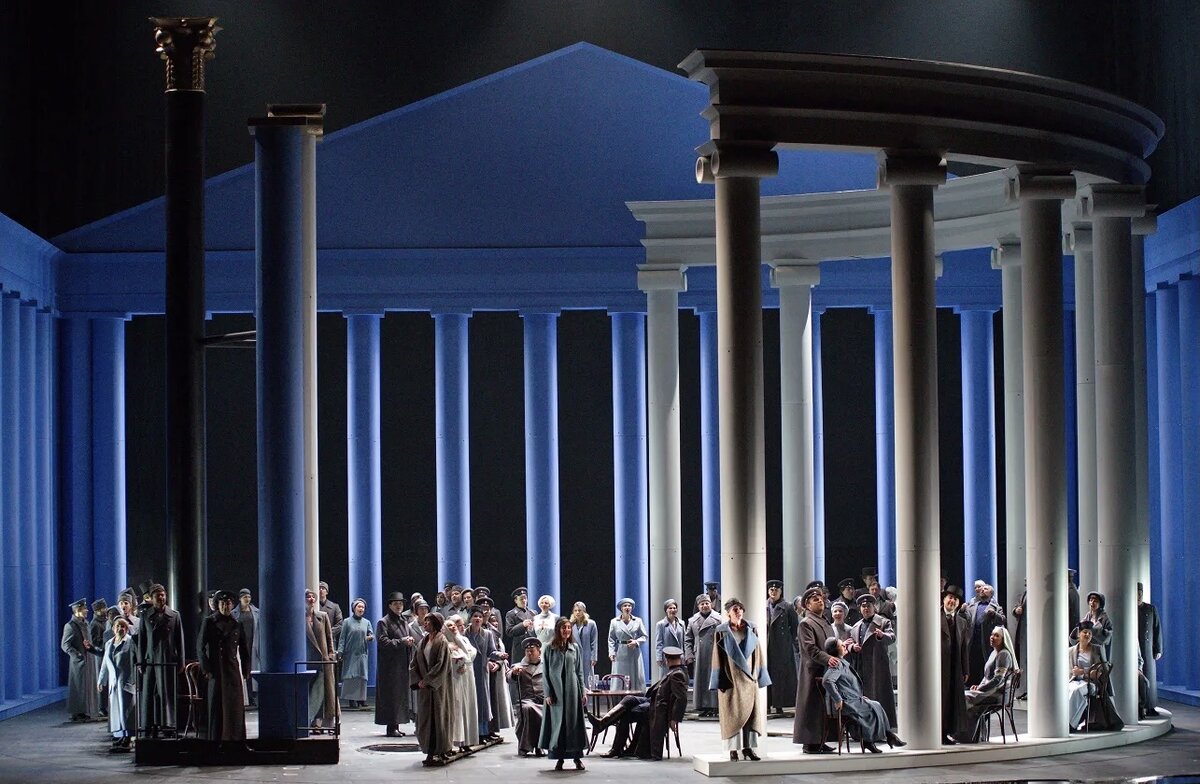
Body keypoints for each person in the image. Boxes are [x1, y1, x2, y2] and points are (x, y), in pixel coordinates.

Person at [589, 645, 688, 760]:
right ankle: (602, 723)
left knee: (624, 715)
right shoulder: (674, 671)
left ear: (668, 660)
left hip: (657, 707)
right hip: (652, 701)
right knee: (629, 699)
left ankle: (616, 748)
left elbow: (681, 698)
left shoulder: (677, 674)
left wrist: (675, 718)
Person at [821, 637, 906, 753]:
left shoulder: (842, 663)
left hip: (853, 699)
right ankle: (874, 740)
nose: (845, 646)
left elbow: (847, 686)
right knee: (873, 707)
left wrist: (859, 697)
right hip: (847, 703)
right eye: (841, 645)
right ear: (835, 650)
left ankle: (885, 736)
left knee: (876, 705)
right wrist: (838, 699)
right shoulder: (837, 664)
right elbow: (827, 681)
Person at [712, 598, 770, 761]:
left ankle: (748, 748)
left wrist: (760, 675)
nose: (738, 612)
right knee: (732, 714)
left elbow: (758, 652)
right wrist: (719, 680)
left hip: (749, 679)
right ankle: (733, 749)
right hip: (731, 678)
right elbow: (717, 656)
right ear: (728, 613)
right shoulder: (721, 631)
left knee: (750, 715)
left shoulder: (752, 628)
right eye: (735, 609)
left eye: (740, 609)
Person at [197, 589, 251, 742]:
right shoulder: (209, 622)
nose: (225, 606)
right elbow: (200, 647)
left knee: (234, 705)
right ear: (217, 605)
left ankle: (235, 738)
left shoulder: (237, 623)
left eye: (228, 603)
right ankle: (216, 738)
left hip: (232, 669)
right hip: (216, 670)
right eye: (222, 603)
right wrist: (206, 668)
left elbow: (244, 648)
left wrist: (246, 669)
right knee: (217, 704)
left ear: (232, 605)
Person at [539, 616, 588, 770]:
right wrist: (548, 693)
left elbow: (579, 672)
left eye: (568, 628)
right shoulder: (549, 648)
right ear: (558, 629)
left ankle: (577, 758)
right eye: (563, 628)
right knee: (557, 724)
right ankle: (559, 758)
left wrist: (583, 691)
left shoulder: (575, 648)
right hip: (556, 691)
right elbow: (545, 673)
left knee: (573, 724)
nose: (566, 630)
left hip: (572, 691)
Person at [137, 583, 184, 736]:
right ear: (152, 598)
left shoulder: (174, 615)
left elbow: (180, 641)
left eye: (163, 595)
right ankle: (148, 727)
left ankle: (168, 726)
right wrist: (141, 661)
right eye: (158, 596)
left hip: (167, 660)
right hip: (151, 660)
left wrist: (181, 661)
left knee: (167, 695)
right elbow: (142, 641)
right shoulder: (145, 615)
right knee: (149, 695)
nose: (161, 598)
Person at [794, 585, 836, 754]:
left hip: (826, 670)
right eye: (815, 600)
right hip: (813, 671)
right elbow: (810, 649)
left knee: (822, 707)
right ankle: (809, 742)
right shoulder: (806, 623)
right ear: (807, 605)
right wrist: (828, 659)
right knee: (811, 707)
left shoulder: (825, 621)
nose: (820, 601)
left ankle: (820, 740)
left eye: (821, 599)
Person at [412, 612, 453, 765]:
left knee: (439, 718)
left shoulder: (442, 641)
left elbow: (442, 665)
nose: (425, 623)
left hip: (438, 687)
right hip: (424, 688)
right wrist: (418, 680)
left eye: (428, 621)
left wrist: (428, 680)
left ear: (436, 623)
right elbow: (414, 662)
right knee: (425, 718)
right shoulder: (423, 641)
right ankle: (429, 750)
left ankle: (441, 750)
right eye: (425, 621)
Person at [849, 593, 896, 727]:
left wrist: (882, 635)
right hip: (861, 666)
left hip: (877, 665)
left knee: (880, 696)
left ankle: (883, 725)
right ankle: (866, 726)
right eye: (863, 606)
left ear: (874, 607)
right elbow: (850, 641)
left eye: (868, 606)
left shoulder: (883, 622)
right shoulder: (856, 626)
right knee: (863, 697)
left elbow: (892, 637)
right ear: (860, 609)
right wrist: (852, 647)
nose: (866, 609)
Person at [1068, 620, 1123, 732]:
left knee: (1077, 691)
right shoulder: (1071, 651)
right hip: (1074, 680)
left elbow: (1101, 670)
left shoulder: (1097, 649)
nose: (1087, 635)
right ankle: (1064, 719)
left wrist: (1082, 672)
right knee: (1067, 690)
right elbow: (1070, 670)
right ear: (1079, 634)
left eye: (1090, 633)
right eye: (1085, 632)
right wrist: (1077, 673)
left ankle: (1071, 723)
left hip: (1092, 682)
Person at [964, 625, 1016, 742]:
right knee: (964, 695)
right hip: (990, 690)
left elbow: (997, 680)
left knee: (964, 698)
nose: (992, 637)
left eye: (996, 636)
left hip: (997, 693)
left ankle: (968, 736)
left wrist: (980, 688)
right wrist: (978, 686)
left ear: (1003, 639)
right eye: (992, 634)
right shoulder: (994, 653)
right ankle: (974, 735)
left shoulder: (1003, 654)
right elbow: (987, 676)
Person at [376, 591, 414, 736]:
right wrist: (402, 641)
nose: (399, 606)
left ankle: (396, 725)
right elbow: (383, 642)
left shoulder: (403, 620)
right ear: (390, 605)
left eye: (401, 604)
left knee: (399, 696)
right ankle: (391, 727)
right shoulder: (383, 622)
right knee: (391, 696)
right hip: (389, 666)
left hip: (402, 663)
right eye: (396, 603)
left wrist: (408, 641)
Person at [98, 616, 136, 751]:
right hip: (114, 683)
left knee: (127, 710)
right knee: (116, 710)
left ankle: (128, 736)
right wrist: (101, 680)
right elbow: (105, 663)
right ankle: (120, 734)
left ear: (127, 629)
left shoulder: (131, 642)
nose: (120, 629)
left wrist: (134, 680)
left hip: (126, 681)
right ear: (113, 629)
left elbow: (136, 661)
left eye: (123, 626)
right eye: (117, 626)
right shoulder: (109, 643)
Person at [940, 584, 971, 744]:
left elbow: (964, 647)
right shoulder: (934, 617)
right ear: (944, 599)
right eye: (950, 597)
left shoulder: (962, 622)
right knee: (941, 700)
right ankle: (938, 732)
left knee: (952, 701)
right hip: (939, 666)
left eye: (956, 599)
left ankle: (946, 732)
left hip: (955, 666)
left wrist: (966, 669)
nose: (952, 601)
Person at [305, 587, 339, 733]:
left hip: (323, 659)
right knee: (311, 692)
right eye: (308, 597)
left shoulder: (322, 616)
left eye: (313, 597)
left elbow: (329, 637)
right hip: (307, 661)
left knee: (324, 693)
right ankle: (311, 721)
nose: (311, 599)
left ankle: (320, 723)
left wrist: (331, 653)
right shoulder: (298, 618)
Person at [444, 614, 480, 749]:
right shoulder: (446, 642)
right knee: (458, 707)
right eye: (450, 626)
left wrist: (464, 660)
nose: (453, 627)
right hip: (455, 677)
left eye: (455, 625)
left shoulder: (463, 639)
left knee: (468, 706)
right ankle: (456, 741)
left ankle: (468, 740)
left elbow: (470, 654)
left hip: (468, 676)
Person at [61, 598, 99, 722]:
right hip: (79, 662)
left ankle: (86, 710)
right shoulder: (70, 626)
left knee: (87, 686)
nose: (87, 610)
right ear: (77, 610)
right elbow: (65, 645)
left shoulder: (85, 623)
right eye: (84, 609)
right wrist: (77, 655)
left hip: (89, 660)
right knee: (78, 687)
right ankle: (77, 712)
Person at [765, 579, 799, 716]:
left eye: (776, 590)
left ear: (780, 591)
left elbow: (795, 627)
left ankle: (779, 705)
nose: (773, 592)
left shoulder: (788, 607)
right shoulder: (763, 606)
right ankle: (767, 704)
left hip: (782, 646)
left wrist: (791, 643)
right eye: (771, 590)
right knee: (766, 675)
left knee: (780, 676)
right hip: (767, 645)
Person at [465, 607, 498, 740]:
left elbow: (492, 651)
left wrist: (499, 656)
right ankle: (471, 733)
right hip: (468, 670)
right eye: (475, 616)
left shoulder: (487, 634)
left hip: (482, 671)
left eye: (480, 616)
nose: (478, 618)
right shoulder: (464, 634)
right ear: (470, 619)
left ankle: (483, 732)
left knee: (483, 702)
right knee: (470, 702)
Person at [685, 594, 720, 717]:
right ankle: (702, 706)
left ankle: (714, 706)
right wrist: (689, 655)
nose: (705, 606)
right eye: (702, 604)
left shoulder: (719, 619)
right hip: (699, 654)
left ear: (711, 604)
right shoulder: (692, 620)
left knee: (713, 678)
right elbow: (688, 639)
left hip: (714, 653)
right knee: (701, 680)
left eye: (707, 603)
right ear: (698, 606)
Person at [965, 584, 1006, 687]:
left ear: (991, 593)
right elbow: (964, 618)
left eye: (985, 589)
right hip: (973, 641)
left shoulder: (996, 607)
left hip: (987, 642)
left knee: (986, 665)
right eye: (981, 589)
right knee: (972, 666)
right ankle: (971, 688)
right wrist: (962, 610)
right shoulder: (973, 606)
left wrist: (994, 614)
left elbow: (1003, 620)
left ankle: (984, 688)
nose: (982, 590)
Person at [511, 637, 547, 757]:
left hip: (543, 699)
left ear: (539, 652)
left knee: (541, 709)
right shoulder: (519, 666)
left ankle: (537, 745)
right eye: (527, 651)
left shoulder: (547, 665)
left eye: (532, 651)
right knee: (528, 709)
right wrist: (514, 673)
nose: (529, 654)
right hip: (527, 700)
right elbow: (509, 676)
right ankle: (535, 746)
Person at [338, 598, 374, 709]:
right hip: (350, 653)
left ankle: (361, 699)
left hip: (361, 653)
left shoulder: (367, 622)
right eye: (359, 606)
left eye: (363, 607)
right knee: (351, 676)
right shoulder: (347, 622)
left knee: (361, 677)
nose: (361, 609)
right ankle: (351, 699)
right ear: (354, 608)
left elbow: (371, 634)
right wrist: (340, 652)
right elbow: (342, 638)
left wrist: (370, 637)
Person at [608, 597, 648, 691]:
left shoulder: (638, 620)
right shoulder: (614, 622)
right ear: (621, 608)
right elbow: (611, 639)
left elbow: (644, 636)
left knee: (635, 675)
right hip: (620, 652)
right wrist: (611, 652)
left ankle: (636, 693)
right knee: (619, 676)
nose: (627, 607)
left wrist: (636, 642)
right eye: (625, 606)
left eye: (629, 606)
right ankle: (618, 695)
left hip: (634, 652)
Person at [1136, 582, 1163, 716]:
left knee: (1150, 676)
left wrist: (1158, 649)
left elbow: (1157, 629)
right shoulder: (1131, 609)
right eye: (1136, 593)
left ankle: (1150, 705)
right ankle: (1139, 706)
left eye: (1140, 593)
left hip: (1148, 649)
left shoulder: (1150, 609)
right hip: (1135, 648)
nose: (1138, 596)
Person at [231, 588, 261, 707]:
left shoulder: (256, 612)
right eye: (245, 597)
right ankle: (245, 697)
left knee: (253, 670)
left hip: (253, 643)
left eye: (248, 597)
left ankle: (253, 697)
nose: (247, 599)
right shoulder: (234, 613)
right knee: (243, 671)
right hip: (240, 644)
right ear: (240, 598)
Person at [653, 599, 686, 681]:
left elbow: (684, 641)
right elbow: (659, 642)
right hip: (667, 657)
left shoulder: (682, 623)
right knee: (665, 680)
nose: (672, 610)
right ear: (666, 610)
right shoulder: (661, 624)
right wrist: (659, 657)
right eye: (670, 608)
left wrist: (684, 655)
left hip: (679, 657)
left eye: (674, 608)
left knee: (678, 679)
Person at [1077, 592, 1114, 659]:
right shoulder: (1088, 615)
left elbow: (1107, 637)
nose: (1092, 603)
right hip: (1087, 650)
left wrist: (1094, 630)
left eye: (1095, 601)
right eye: (1091, 600)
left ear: (1100, 604)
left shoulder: (1104, 618)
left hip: (1098, 651)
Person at [570, 602, 598, 687]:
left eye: (579, 610)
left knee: (587, 678)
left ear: (584, 611)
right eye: (575, 610)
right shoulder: (570, 624)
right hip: (574, 655)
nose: (577, 612)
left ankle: (588, 695)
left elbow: (594, 641)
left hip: (587, 655)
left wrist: (593, 657)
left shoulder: (591, 624)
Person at [89, 599, 109, 717]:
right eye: (102, 609)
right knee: (103, 681)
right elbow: (95, 641)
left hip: (106, 653)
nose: (105, 610)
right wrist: (106, 641)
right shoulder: (95, 624)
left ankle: (105, 705)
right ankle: (102, 707)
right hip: (101, 655)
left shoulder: (105, 621)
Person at [505, 587, 536, 655]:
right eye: (521, 599)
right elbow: (509, 631)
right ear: (516, 600)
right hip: (520, 648)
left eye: (525, 598)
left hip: (533, 646)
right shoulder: (511, 613)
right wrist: (522, 625)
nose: (524, 601)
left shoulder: (533, 613)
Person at [318, 581, 344, 648]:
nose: (321, 590)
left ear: (327, 592)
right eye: (319, 588)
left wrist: (328, 633)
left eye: (323, 588)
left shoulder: (335, 607)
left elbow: (340, 623)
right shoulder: (314, 606)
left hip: (330, 640)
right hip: (316, 640)